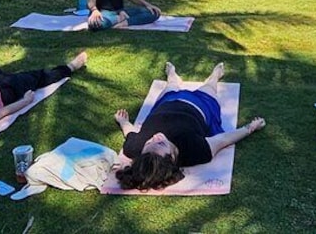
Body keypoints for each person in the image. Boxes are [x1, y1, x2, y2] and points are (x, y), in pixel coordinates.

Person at [113, 62, 266, 190]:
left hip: (166, 102)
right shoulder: (194, 150)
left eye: (149, 142)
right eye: (160, 143)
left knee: (171, 86)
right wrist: (250, 128)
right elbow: (224, 139)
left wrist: (123, 122)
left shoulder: (135, 149)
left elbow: (129, 133)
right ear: (173, 157)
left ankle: (172, 76)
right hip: (201, 105)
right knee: (210, 87)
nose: (154, 137)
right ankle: (214, 76)